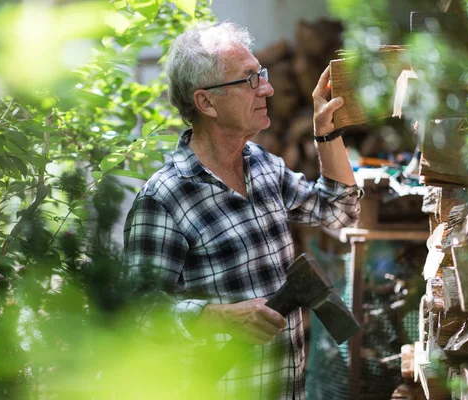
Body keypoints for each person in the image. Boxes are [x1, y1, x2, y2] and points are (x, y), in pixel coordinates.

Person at [123, 22, 362, 400]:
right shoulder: (164, 198)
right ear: (206, 103)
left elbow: (340, 212)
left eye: (261, 75)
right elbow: (135, 314)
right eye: (249, 80)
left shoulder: (263, 166)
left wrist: (325, 131)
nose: (266, 88)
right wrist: (221, 316)